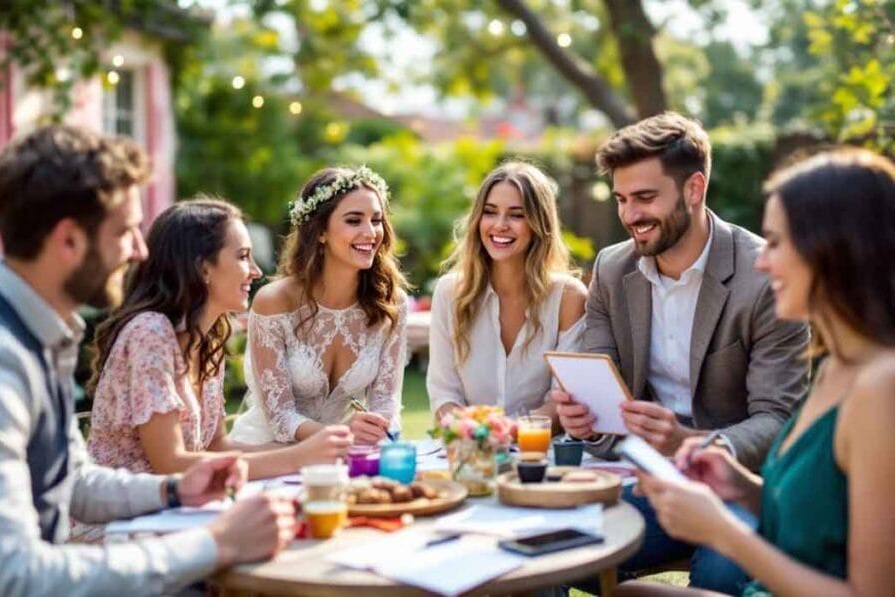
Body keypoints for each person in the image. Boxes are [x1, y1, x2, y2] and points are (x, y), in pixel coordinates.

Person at [0, 126, 294, 595]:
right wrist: (213, 544)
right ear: (68, 240)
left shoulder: (35, 333)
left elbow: (72, 481)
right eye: (125, 230)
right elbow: (14, 579)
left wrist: (176, 489)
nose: (140, 249)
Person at [619, 148, 895, 596]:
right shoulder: (834, 367)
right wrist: (737, 483)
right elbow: (814, 514)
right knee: (626, 592)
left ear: (835, 248)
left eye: (777, 243)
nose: (761, 262)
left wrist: (722, 532)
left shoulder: (882, 388)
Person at [554, 112, 810, 592]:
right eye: (622, 200)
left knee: (718, 575)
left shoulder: (763, 281)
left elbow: (779, 418)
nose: (630, 216)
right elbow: (604, 389)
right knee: (551, 548)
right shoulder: (612, 269)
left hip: (738, 486)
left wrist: (692, 446)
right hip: (644, 479)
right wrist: (584, 418)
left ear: (694, 189)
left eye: (645, 198)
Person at [76, 198, 353, 541]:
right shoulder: (149, 333)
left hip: (179, 515)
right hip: (119, 524)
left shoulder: (208, 337)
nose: (254, 270)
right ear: (202, 268)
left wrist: (320, 452)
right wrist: (297, 457)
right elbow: (171, 463)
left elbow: (218, 446)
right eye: (241, 256)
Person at [229, 166, 409, 446]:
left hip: (340, 453)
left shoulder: (391, 303)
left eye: (376, 220)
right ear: (321, 231)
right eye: (354, 220)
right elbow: (279, 418)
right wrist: (343, 434)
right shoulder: (274, 302)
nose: (371, 232)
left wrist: (375, 432)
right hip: (268, 452)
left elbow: (385, 401)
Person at [427, 161, 586, 421]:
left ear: (539, 223)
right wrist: (475, 436)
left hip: (540, 454)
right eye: (490, 212)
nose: (500, 225)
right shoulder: (450, 293)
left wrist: (509, 434)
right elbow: (444, 394)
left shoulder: (568, 298)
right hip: (470, 450)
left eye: (516, 214)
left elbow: (564, 399)